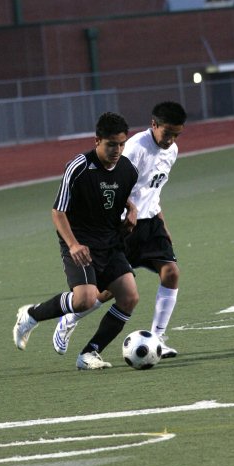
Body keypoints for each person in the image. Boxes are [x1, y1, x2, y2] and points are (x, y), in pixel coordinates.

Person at [52, 100, 187, 359]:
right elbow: (111, 180)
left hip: (151, 223)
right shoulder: (134, 148)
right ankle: (69, 319)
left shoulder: (172, 151)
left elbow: (153, 189)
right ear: (153, 125)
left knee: (171, 273)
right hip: (124, 225)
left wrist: (162, 222)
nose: (171, 139)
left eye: (176, 134)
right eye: (167, 132)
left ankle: (158, 338)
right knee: (111, 290)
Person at [13, 112, 140, 370]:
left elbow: (117, 195)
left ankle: (89, 354)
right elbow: (58, 211)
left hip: (110, 241)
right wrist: (73, 245)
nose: (117, 150)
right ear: (97, 141)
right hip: (79, 242)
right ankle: (31, 315)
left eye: (121, 144)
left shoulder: (128, 170)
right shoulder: (79, 167)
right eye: (111, 144)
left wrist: (132, 211)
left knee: (129, 297)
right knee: (84, 298)